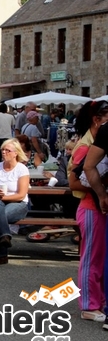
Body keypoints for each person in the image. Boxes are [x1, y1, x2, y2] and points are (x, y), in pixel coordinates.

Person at [69, 100, 108, 323]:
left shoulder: (92, 142)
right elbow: (74, 183)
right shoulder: (85, 146)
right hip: (91, 208)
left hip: (97, 209)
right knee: (91, 259)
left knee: (100, 259)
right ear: (97, 119)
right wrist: (101, 187)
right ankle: (88, 305)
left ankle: (99, 301)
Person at [0, 138, 30, 265]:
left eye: (7, 150)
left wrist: (1, 197)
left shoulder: (22, 169)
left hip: (18, 204)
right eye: (2, 150)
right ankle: (5, 236)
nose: (4, 152)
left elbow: (21, 195)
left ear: (16, 153)